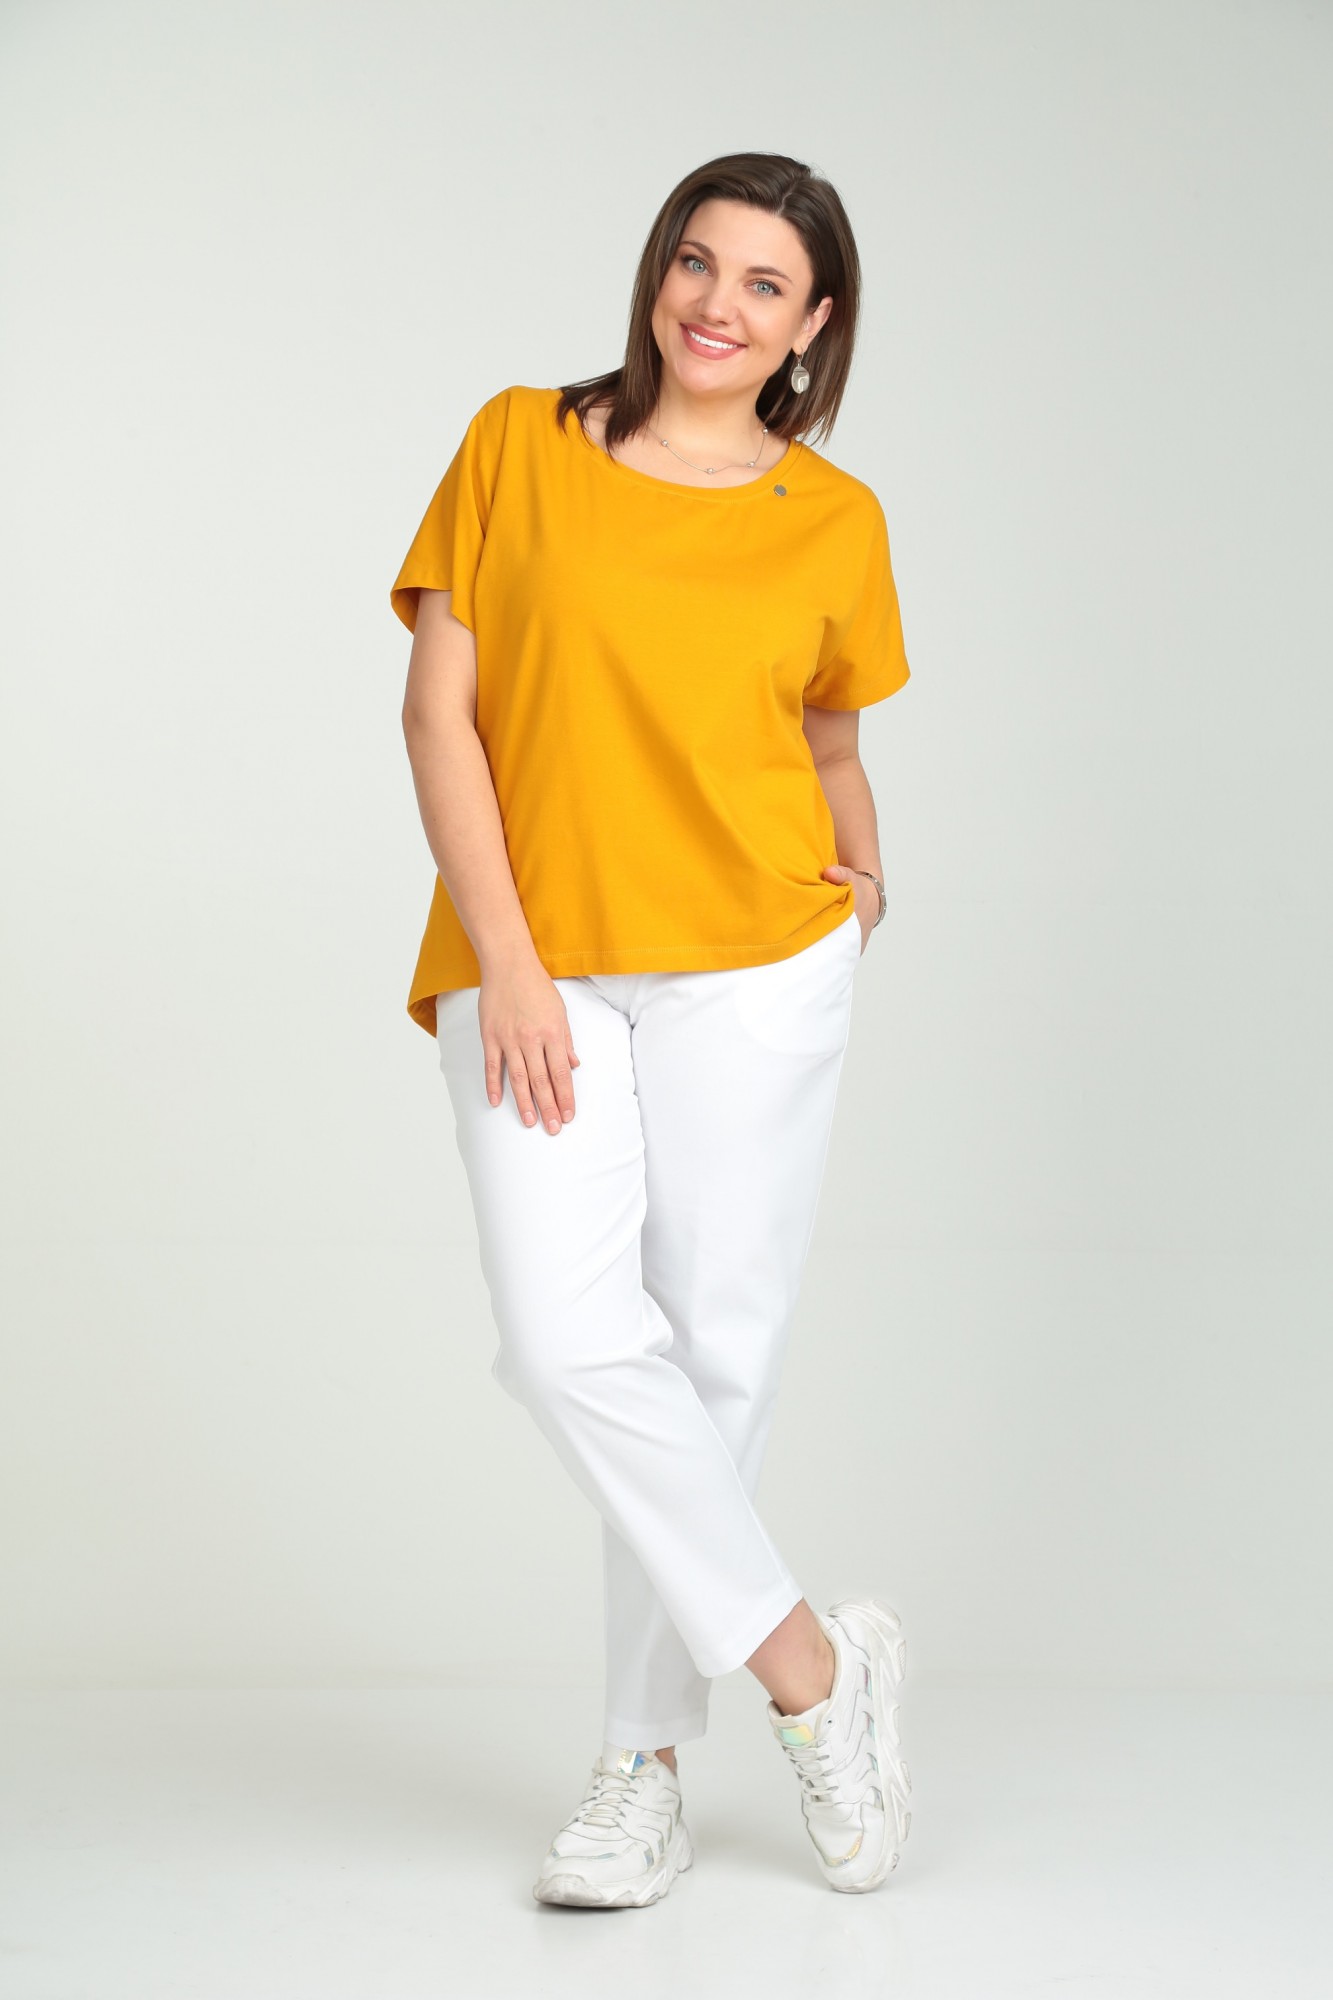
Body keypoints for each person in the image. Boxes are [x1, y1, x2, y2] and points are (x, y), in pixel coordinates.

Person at [389, 151, 914, 1907]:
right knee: (566, 1338)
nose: (717, 303)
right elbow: (440, 717)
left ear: (811, 325)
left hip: (757, 962)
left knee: (714, 1358)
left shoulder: (834, 517)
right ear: (657, 272)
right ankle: (810, 1672)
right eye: (698, 261)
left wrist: (859, 871)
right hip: (534, 961)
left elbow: (828, 738)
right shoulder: (518, 443)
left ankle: (640, 1766)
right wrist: (510, 961)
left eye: (764, 284)